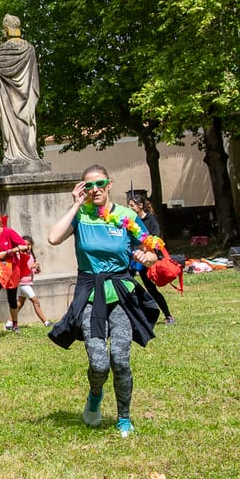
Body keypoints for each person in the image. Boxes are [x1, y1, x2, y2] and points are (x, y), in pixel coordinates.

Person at [47, 165, 160, 438]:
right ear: (82, 189)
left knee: (120, 360)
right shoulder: (81, 216)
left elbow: (151, 250)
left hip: (121, 293)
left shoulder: (126, 216)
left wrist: (147, 257)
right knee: (99, 363)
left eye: (100, 184)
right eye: (89, 186)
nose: (95, 189)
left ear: (109, 185)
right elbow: (53, 238)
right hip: (89, 294)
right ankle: (95, 396)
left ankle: (123, 417)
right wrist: (75, 206)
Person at [0, 14, 41, 164]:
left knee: (10, 125)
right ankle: (29, 153)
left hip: (8, 100)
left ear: (6, 29)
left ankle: (13, 154)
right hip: (26, 100)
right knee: (28, 124)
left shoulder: (1, 50)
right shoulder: (29, 49)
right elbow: (33, 78)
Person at [128, 195, 176, 325]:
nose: (129, 208)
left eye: (132, 205)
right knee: (127, 286)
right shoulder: (130, 220)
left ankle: (168, 315)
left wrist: (145, 249)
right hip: (133, 257)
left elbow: (155, 238)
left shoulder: (151, 219)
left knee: (151, 289)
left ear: (140, 206)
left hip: (146, 259)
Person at [0, 213, 29, 339]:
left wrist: (7, 252)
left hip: (11, 269)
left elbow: (24, 246)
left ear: (0, 223)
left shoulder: (9, 232)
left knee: (12, 299)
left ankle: (15, 325)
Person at [16, 236, 51, 327]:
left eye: (29, 245)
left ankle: (9, 323)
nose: (27, 247)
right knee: (36, 302)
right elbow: (20, 270)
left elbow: (32, 271)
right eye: (24, 245)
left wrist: (37, 269)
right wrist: (31, 267)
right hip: (23, 284)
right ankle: (46, 322)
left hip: (27, 283)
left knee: (19, 304)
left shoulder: (31, 256)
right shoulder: (19, 256)